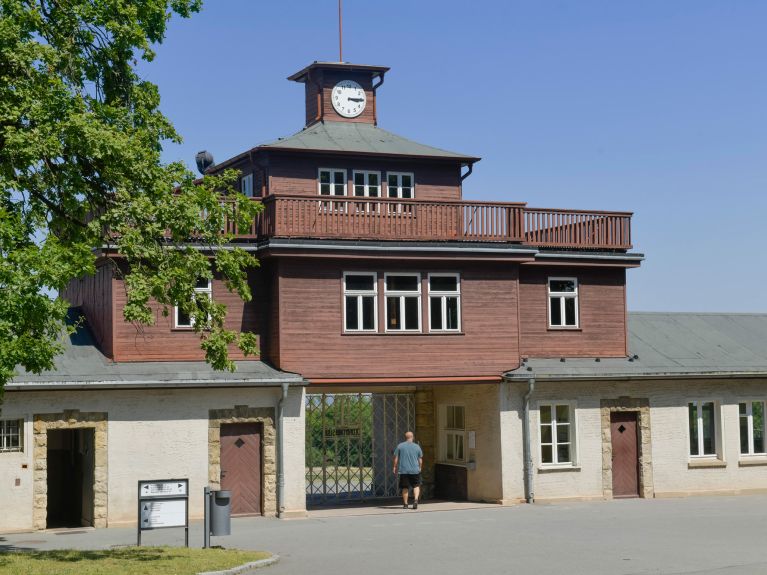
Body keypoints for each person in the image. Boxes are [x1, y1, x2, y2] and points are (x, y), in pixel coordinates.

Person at [392, 431, 423, 510]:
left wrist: (394, 467)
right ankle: (415, 500)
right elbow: (420, 459)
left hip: (404, 470)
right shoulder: (417, 447)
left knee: (405, 487)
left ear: (405, 437)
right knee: (416, 485)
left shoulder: (400, 446)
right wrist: (420, 467)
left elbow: (396, 458)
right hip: (415, 470)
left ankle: (405, 504)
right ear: (412, 437)